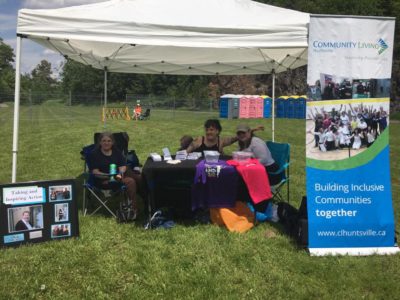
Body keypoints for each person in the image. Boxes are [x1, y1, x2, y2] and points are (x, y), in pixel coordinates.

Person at [89, 132, 142, 219]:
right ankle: (133, 210)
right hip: (103, 180)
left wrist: (120, 172)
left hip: (117, 176)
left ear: (112, 142)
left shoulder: (116, 151)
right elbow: (95, 172)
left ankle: (147, 199)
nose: (106, 143)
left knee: (136, 176)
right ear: (100, 142)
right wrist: (110, 175)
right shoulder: (94, 154)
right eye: (104, 141)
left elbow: (122, 165)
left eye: (109, 141)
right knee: (131, 181)